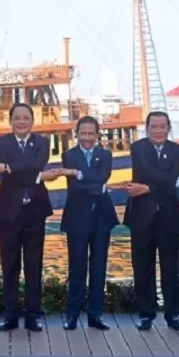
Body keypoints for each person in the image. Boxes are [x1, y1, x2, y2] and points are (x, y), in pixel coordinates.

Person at [124, 111, 179, 331]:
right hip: (142, 215)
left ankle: (173, 314)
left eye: (162, 126)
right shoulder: (138, 148)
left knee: (171, 266)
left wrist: (148, 188)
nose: (158, 130)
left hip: (169, 215)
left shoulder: (176, 150)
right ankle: (146, 313)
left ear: (168, 127)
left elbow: (162, 180)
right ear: (146, 128)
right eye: (154, 126)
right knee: (142, 266)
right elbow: (148, 172)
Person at [0, 103, 63, 332]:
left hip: (35, 210)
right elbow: (30, 171)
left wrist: (6, 167)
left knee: (33, 264)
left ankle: (32, 316)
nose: (22, 121)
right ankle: (10, 315)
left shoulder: (43, 143)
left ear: (32, 121)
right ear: (10, 120)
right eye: (17, 117)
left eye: (26, 117)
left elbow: (35, 164)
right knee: (10, 265)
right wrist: (36, 175)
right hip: (8, 211)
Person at [60, 116, 117, 331]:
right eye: (82, 133)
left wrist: (81, 174)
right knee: (77, 266)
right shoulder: (69, 155)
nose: (86, 138)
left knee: (99, 267)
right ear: (76, 134)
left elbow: (102, 176)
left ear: (97, 135)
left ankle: (95, 314)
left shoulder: (105, 154)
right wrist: (99, 188)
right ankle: (72, 314)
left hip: (102, 217)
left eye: (90, 134)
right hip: (77, 218)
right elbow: (75, 188)